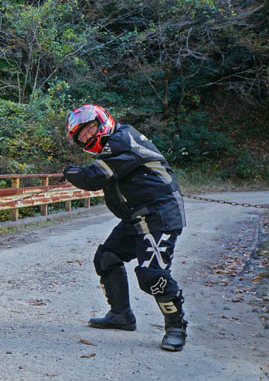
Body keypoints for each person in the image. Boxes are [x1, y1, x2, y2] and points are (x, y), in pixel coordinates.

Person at [62, 105, 188, 351]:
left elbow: (94, 177)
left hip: (160, 214)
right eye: (82, 136)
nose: (87, 136)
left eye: (89, 128)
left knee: (152, 275)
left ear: (102, 122)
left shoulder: (122, 139)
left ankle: (176, 327)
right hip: (137, 217)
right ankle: (121, 314)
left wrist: (70, 171)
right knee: (106, 257)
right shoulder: (113, 148)